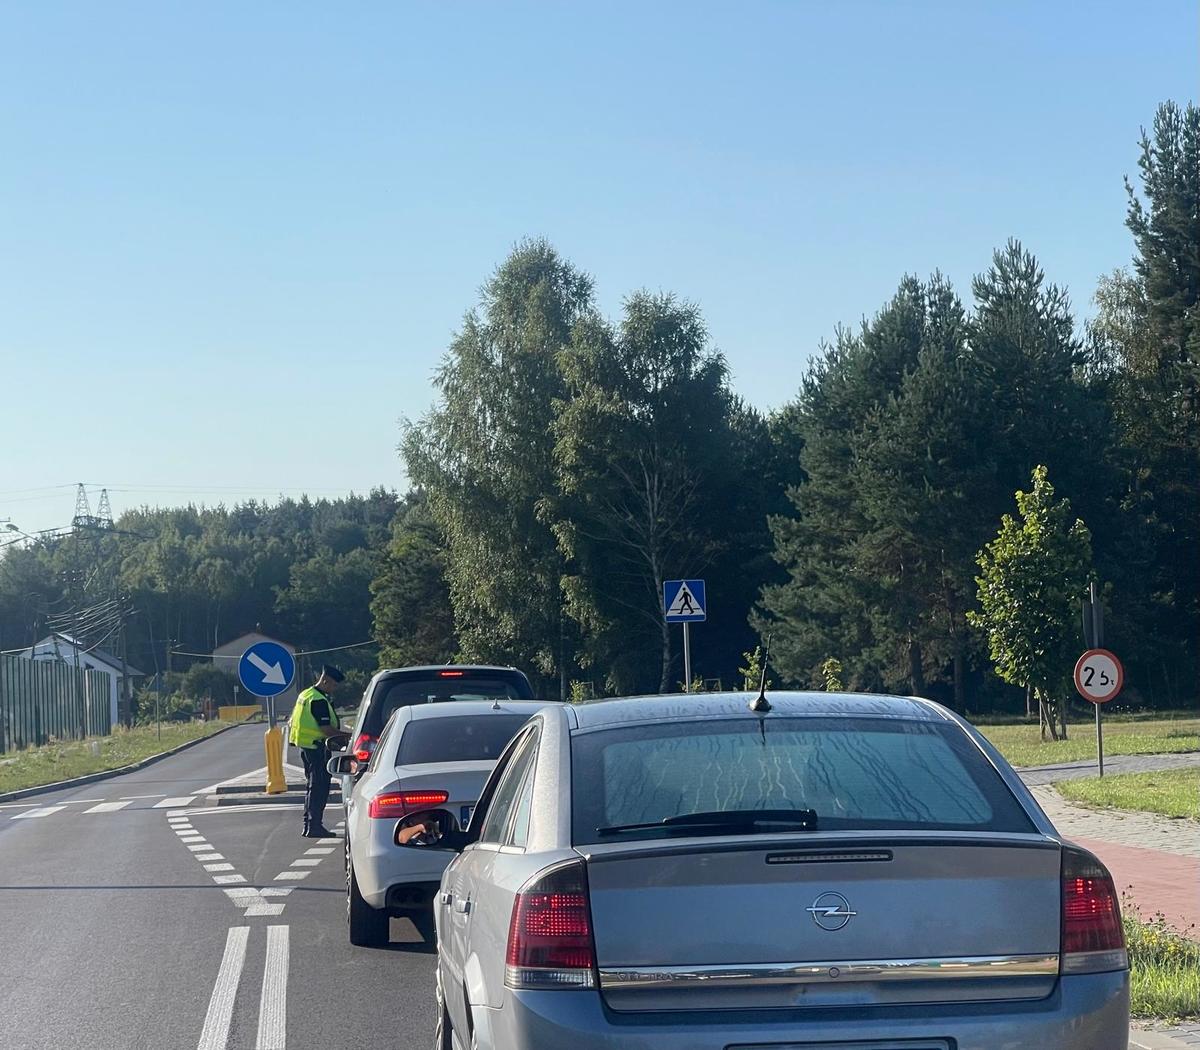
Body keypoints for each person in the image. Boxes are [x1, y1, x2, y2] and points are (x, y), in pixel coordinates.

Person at [288, 664, 346, 838]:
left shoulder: (305, 694)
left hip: (306, 747)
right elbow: (326, 729)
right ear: (325, 681)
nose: (334, 689)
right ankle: (314, 826)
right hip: (317, 748)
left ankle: (309, 824)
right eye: (333, 685)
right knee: (319, 788)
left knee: (312, 787)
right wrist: (349, 736)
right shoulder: (318, 700)